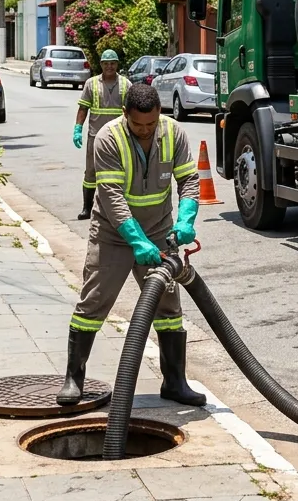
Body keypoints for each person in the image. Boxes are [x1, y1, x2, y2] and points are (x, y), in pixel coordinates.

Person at [56, 82, 205, 407]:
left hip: (159, 229)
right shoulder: (109, 138)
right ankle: (73, 378)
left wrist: (186, 219)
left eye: (151, 124)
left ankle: (175, 382)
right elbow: (110, 196)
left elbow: (189, 180)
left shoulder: (173, 133)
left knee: (168, 307)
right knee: (95, 300)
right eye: (138, 125)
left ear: (159, 114)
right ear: (126, 115)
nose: (145, 130)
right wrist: (136, 241)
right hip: (113, 232)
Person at [74, 49, 130, 221]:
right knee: (91, 173)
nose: (109, 66)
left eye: (112, 63)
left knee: (122, 173)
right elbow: (83, 108)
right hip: (95, 136)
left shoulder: (126, 84)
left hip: (119, 137)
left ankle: (121, 209)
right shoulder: (91, 84)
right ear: (101, 65)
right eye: (106, 63)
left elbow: (131, 111)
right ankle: (87, 208)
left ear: (117, 64)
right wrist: (78, 128)